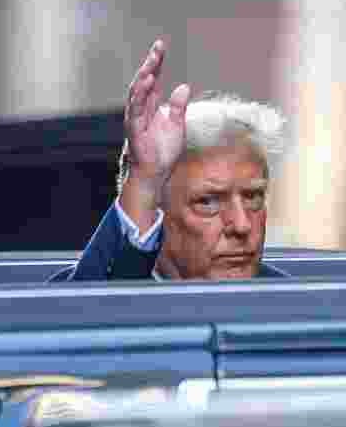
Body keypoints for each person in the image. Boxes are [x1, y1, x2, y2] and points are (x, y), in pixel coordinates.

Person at [51, 39, 288, 282]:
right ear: (154, 214)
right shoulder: (74, 292)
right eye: (207, 202)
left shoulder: (296, 304)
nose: (242, 225)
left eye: (252, 197)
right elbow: (92, 313)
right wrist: (143, 182)